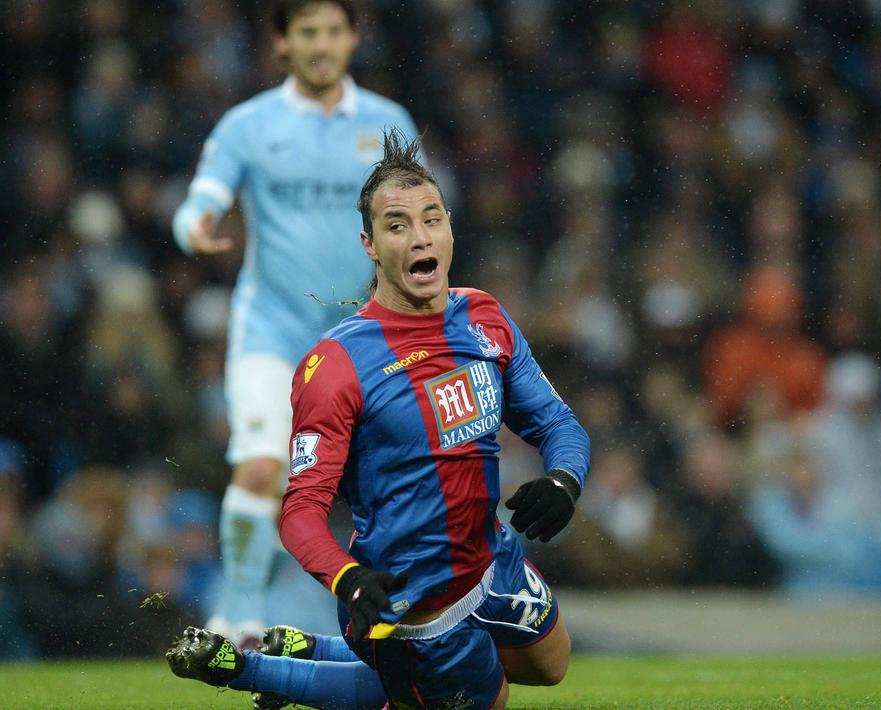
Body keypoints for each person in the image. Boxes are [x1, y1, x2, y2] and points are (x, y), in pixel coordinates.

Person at [168, 130, 590, 710]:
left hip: (492, 560)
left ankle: (305, 647)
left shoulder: (483, 317)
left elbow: (556, 421)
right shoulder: (336, 366)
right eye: (398, 225)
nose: (420, 237)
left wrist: (565, 479)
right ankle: (247, 668)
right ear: (369, 244)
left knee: (551, 666)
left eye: (431, 219)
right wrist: (346, 578)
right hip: (412, 601)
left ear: (449, 227)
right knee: (468, 695)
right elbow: (300, 513)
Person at [170, 0, 418, 645]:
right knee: (260, 466)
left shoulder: (388, 123)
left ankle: (414, 622)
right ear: (281, 43)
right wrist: (194, 225)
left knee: (398, 485)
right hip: (273, 330)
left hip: (362, 338)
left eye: (334, 31)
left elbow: (418, 220)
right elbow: (203, 196)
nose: (322, 45)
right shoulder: (249, 125)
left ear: (353, 39)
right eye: (308, 32)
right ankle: (239, 616)